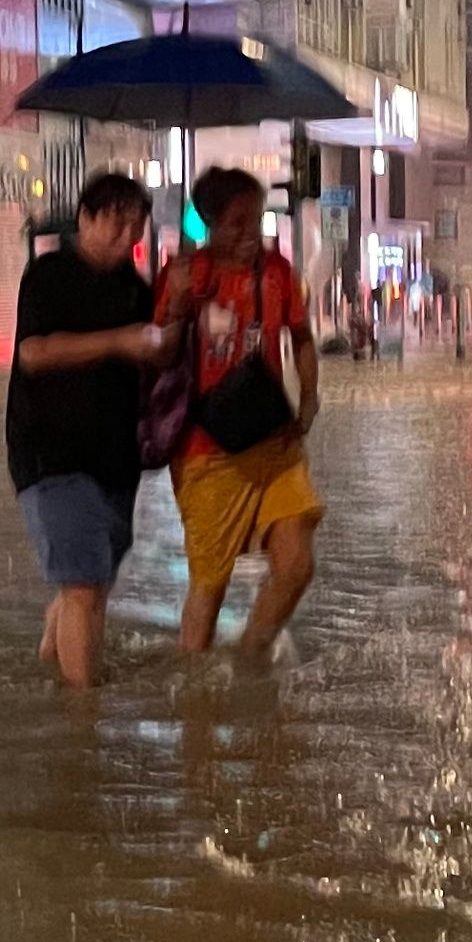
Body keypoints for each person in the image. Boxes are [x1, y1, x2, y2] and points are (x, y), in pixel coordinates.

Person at [10, 172, 170, 687]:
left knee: (89, 586)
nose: (127, 239)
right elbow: (34, 353)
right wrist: (117, 341)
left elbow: (158, 356)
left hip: (116, 459)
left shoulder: (134, 288)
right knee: (83, 584)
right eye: (117, 225)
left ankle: (50, 678)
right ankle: (82, 717)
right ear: (85, 218)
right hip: (51, 454)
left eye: (136, 227)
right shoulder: (49, 275)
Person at [155, 167, 322, 659]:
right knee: (211, 582)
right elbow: (159, 354)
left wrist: (309, 398)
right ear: (207, 221)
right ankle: (195, 692)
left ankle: (251, 658)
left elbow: (303, 339)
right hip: (206, 450)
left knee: (296, 565)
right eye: (237, 223)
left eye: (257, 220)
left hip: (274, 439)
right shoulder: (185, 275)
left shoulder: (276, 271)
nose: (251, 233)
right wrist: (178, 305)